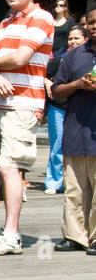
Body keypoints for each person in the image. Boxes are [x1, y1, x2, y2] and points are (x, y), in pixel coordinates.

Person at [0, 0, 55, 255]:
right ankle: (9, 230)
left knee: (10, 169)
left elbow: (20, 57)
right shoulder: (6, 22)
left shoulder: (42, 18)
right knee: (2, 167)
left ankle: (11, 234)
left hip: (23, 103)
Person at [49, 16, 96, 253]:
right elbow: (56, 91)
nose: (95, 26)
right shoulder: (74, 55)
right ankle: (75, 236)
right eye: (92, 22)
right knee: (75, 189)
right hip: (76, 131)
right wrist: (78, 84)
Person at [45, 25, 85, 196]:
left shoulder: (89, 58)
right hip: (58, 107)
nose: (73, 41)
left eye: (77, 38)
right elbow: (43, 73)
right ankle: (54, 181)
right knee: (56, 146)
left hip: (80, 110)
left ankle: (75, 181)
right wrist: (47, 83)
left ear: (85, 39)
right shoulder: (60, 59)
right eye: (70, 38)